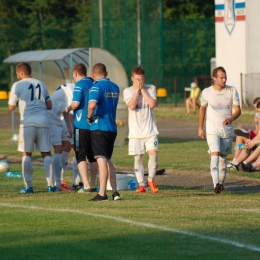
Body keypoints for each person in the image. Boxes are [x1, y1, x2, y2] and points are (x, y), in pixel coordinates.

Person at [8, 62, 54, 193]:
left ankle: (28, 186)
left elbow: (11, 107)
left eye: (17, 73)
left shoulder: (17, 85)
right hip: (44, 121)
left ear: (21, 73)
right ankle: (50, 185)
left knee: (26, 153)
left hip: (27, 122)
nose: (17, 76)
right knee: (46, 153)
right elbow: (49, 105)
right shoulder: (41, 83)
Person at [198, 66, 241, 193]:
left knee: (223, 159)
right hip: (212, 129)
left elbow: (238, 110)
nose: (224, 80)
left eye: (225, 77)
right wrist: (200, 128)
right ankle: (216, 183)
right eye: (221, 77)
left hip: (226, 130)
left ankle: (220, 183)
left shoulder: (232, 90)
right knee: (214, 154)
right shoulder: (206, 92)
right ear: (214, 78)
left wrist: (231, 118)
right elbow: (202, 109)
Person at [123, 66, 159, 193]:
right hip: (135, 132)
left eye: (142, 79)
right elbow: (132, 106)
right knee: (138, 158)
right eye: (137, 79)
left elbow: (152, 104)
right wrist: (136, 91)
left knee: (153, 155)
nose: (140, 82)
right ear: (132, 78)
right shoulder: (127, 91)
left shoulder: (150, 88)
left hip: (150, 130)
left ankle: (150, 180)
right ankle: (141, 184)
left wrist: (142, 90)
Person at [87, 63, 120, 201]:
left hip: (100, 127)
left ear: (93, 75)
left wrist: (89, 117)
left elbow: (92, 105)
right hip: (112, 128)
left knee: (101, 161)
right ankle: (115, 192)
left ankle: (102, 194)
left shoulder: (96, 86)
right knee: (108, 161)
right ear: (106, 73)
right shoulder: (115, 87)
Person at [65, 63, 98, 193]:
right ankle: (94, 183)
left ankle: (86, 185)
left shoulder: (79, 85)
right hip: (94, 124)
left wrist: (67, 109)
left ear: (75, 74)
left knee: (80, 155)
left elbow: (76, 104)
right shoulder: (94, 83)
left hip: (81, 124)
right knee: (93, 156)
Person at [48, 83, 74, 191]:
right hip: (50, 119)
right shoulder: (72, 90)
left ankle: (61, 181)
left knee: (67, 146)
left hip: (59, 119)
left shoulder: (73, 89)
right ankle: (57, 183)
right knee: (58, 149)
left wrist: (70, 129)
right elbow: (72, 112)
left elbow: (66, 112)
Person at [227, 97, 260, 169]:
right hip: (256, 141)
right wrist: (256, 123)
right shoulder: (258, 116)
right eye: (255, 108)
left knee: (247, 144)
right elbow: (258, 133)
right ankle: (235, 161)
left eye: (258, 109)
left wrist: (253, 142)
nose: (257, 111)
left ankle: (245, 164)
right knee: (240, 133)